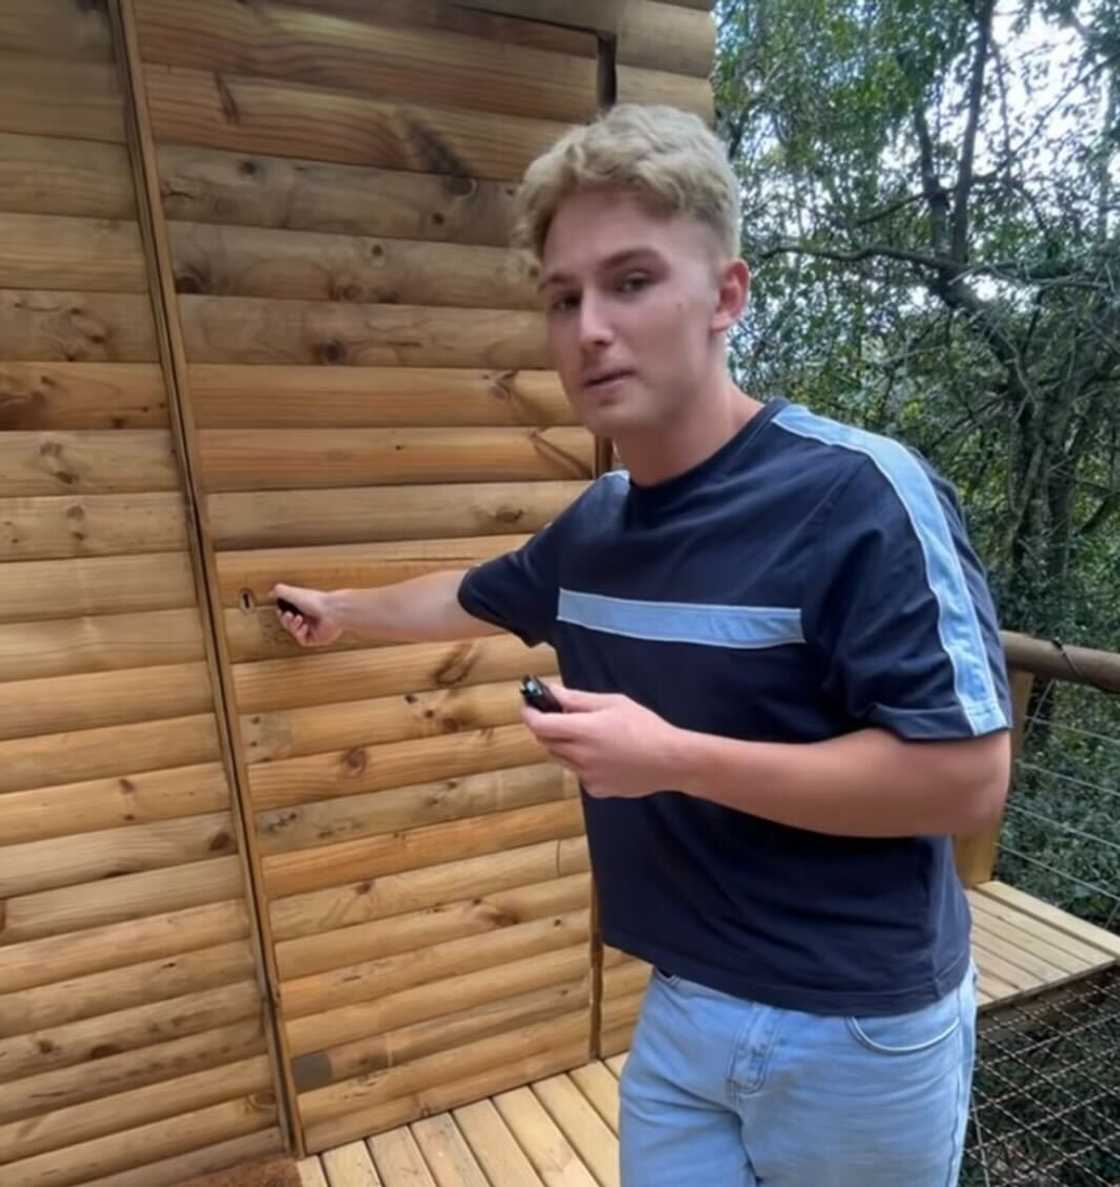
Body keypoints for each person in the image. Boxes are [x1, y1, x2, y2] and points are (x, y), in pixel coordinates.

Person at [273, 104, 1012, 1187]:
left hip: (857, 1028)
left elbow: (965, 782)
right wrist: (340, 607)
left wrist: (674, 757)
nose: (589, 329)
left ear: (725, 296)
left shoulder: (857, 496)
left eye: (629, 281)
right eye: (562, 297)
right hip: (682, 1003)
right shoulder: (597, 525)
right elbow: (468, 597)